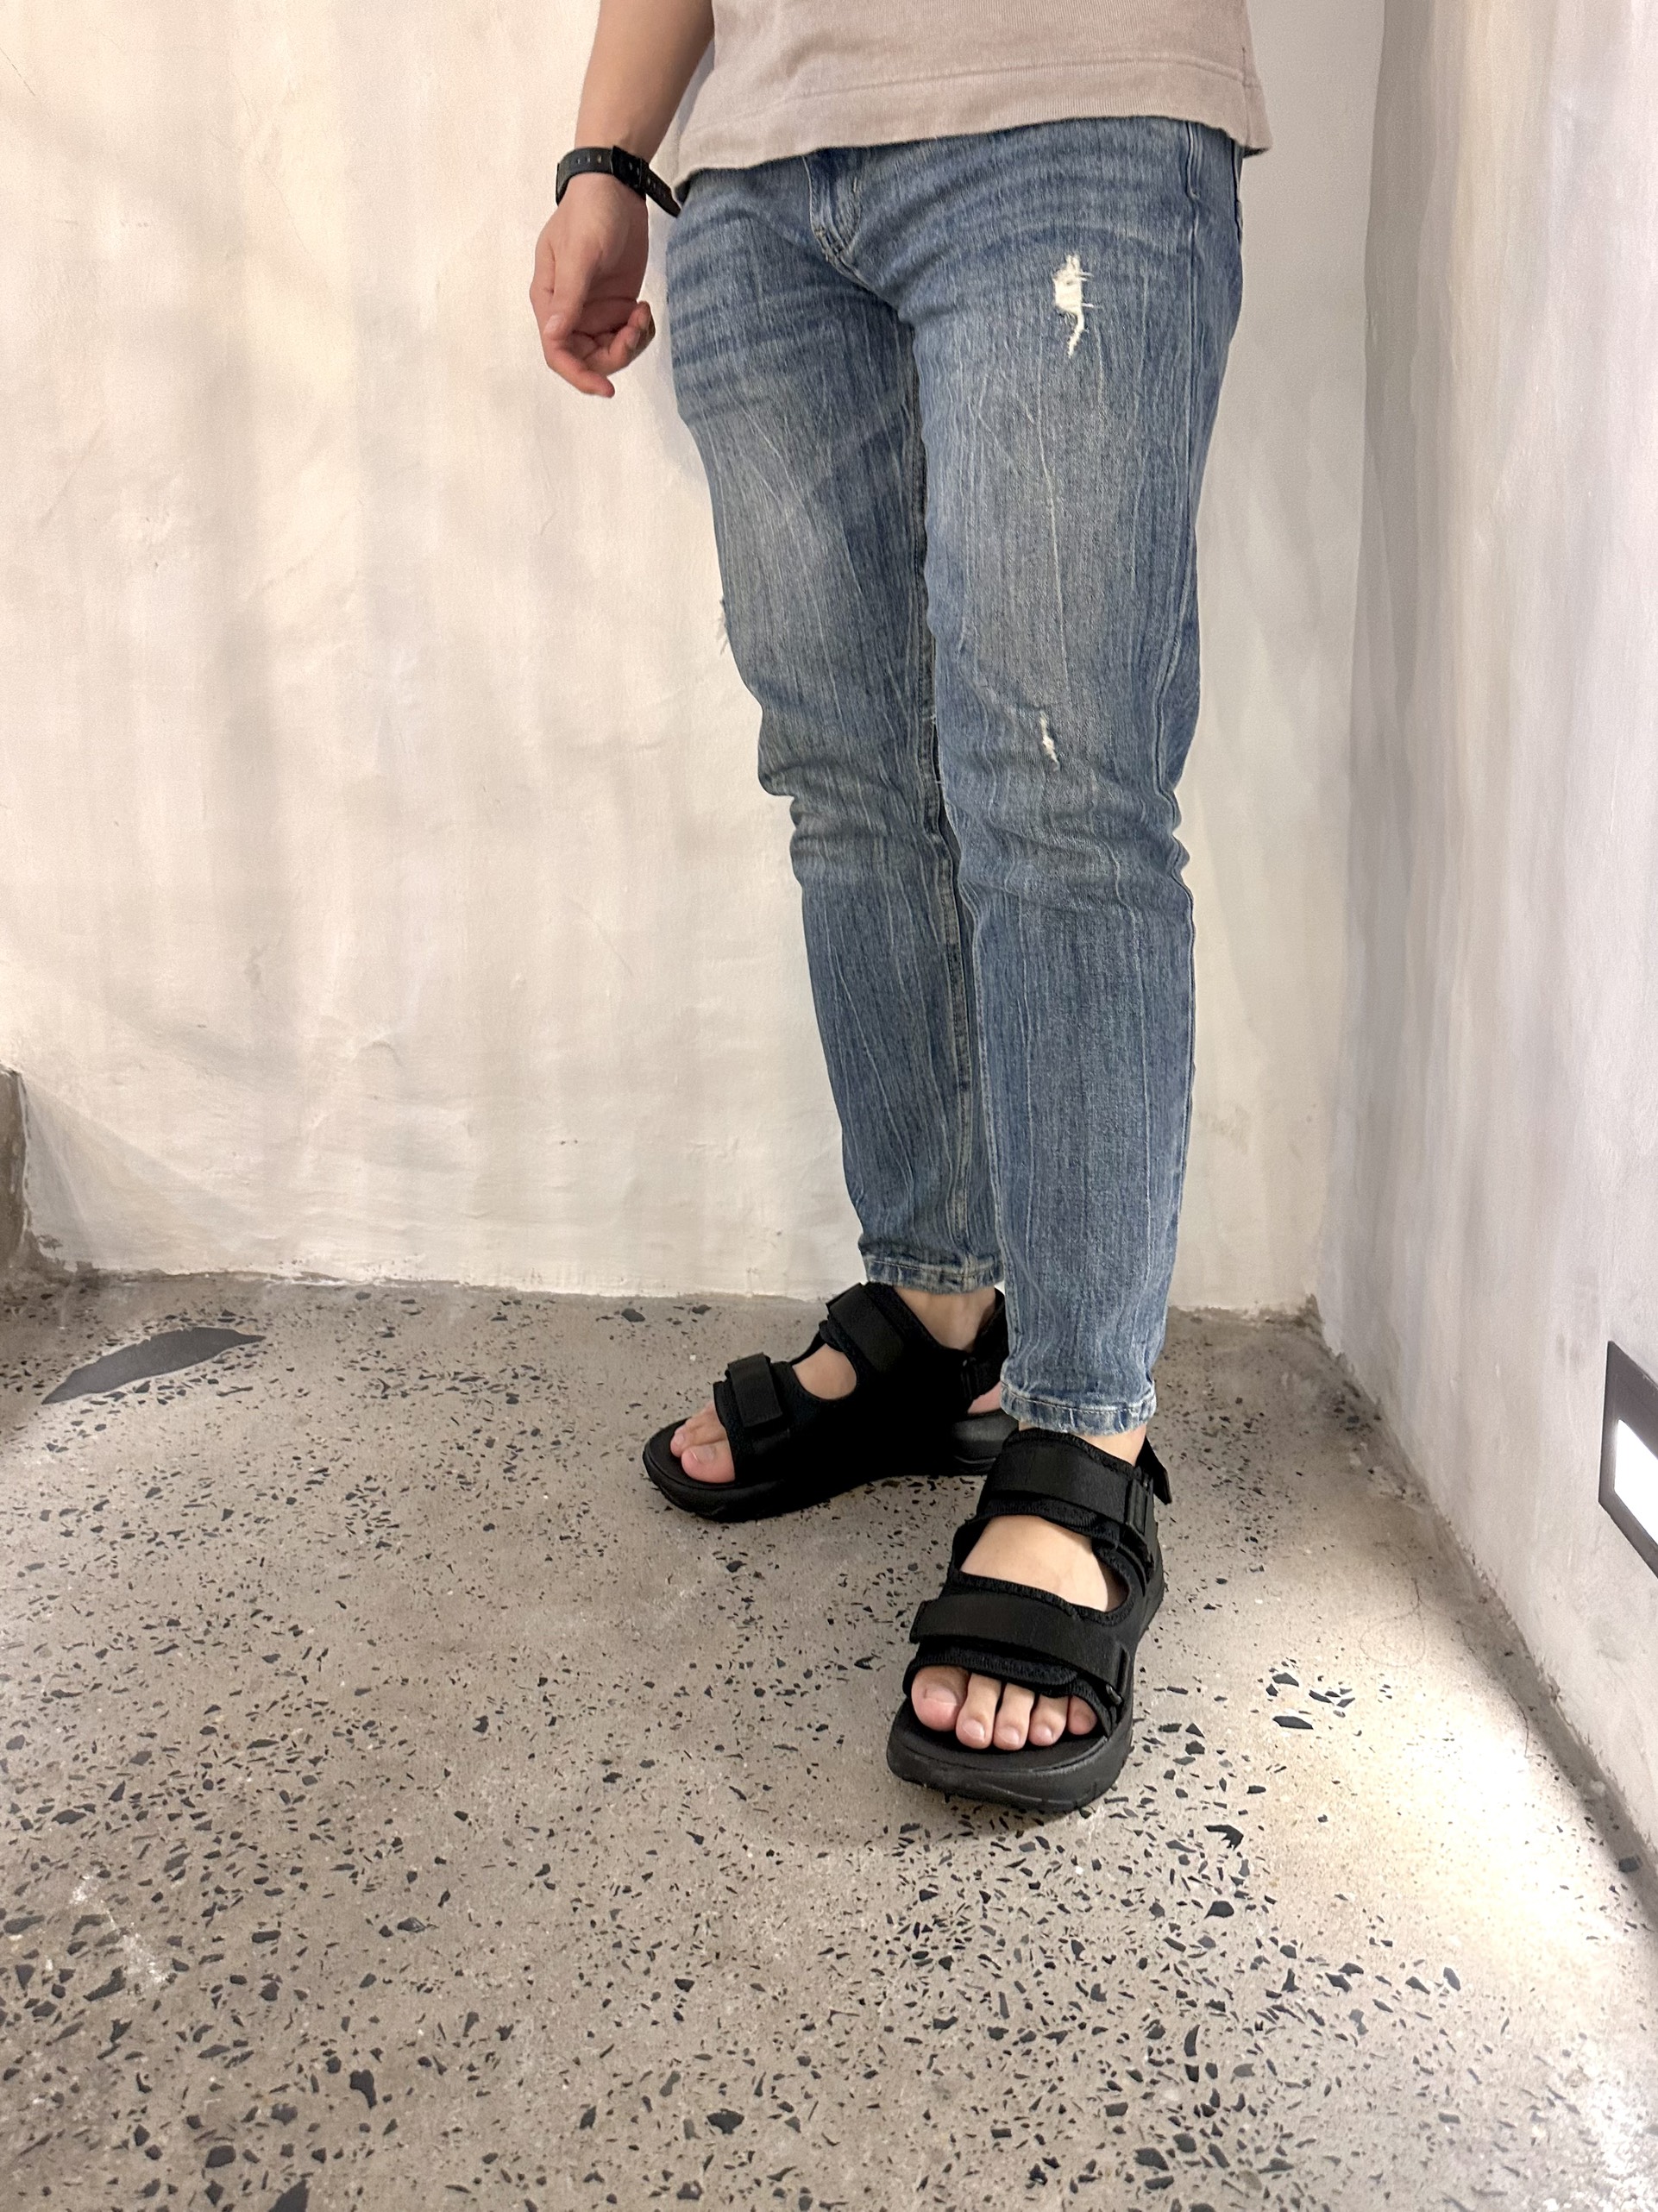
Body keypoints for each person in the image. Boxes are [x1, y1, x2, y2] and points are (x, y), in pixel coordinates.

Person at [531, 0, 1268, 1813]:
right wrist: (609, 157)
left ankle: (1085, 1434)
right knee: (851, 786)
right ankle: (941, 1318)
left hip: (1067, 104)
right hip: (758, 178)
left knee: (1060, 793)